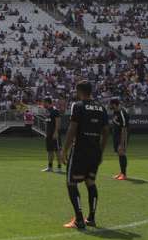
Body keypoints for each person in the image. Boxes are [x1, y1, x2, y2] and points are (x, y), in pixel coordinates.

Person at [61, 81, 109, 230]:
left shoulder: (78, 106)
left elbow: (72, 128)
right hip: (95, 151)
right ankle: (91, 218)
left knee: (71, 183)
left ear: (79, 91)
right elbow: (106, 131)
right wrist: (101, 151)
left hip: (80, 151)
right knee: (90, 182)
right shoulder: (101, 108)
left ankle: (79, 219)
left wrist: (64, 150)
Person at [41, 98, 63, 173]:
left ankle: (59, 168)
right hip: (48, 135)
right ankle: (50, 167)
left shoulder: (55, 110)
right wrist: (46, 133)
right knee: (49, 150)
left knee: (57, 151)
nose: (43, 104)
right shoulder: (47, 111)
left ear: (47, 102)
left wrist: (56, 132)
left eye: (43, 103)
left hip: (54, 134)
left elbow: (58, 122)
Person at [109, 98, 129, 180]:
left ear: (114, 104)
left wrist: (122, 143)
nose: (109, 106)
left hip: (122, 136)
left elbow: (124, 129)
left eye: (110, 104)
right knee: (119, 153)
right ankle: (121, 173)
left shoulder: (122, 113)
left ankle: (124, 174)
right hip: (116, 135)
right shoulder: (115, 112)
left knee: (122, 153)